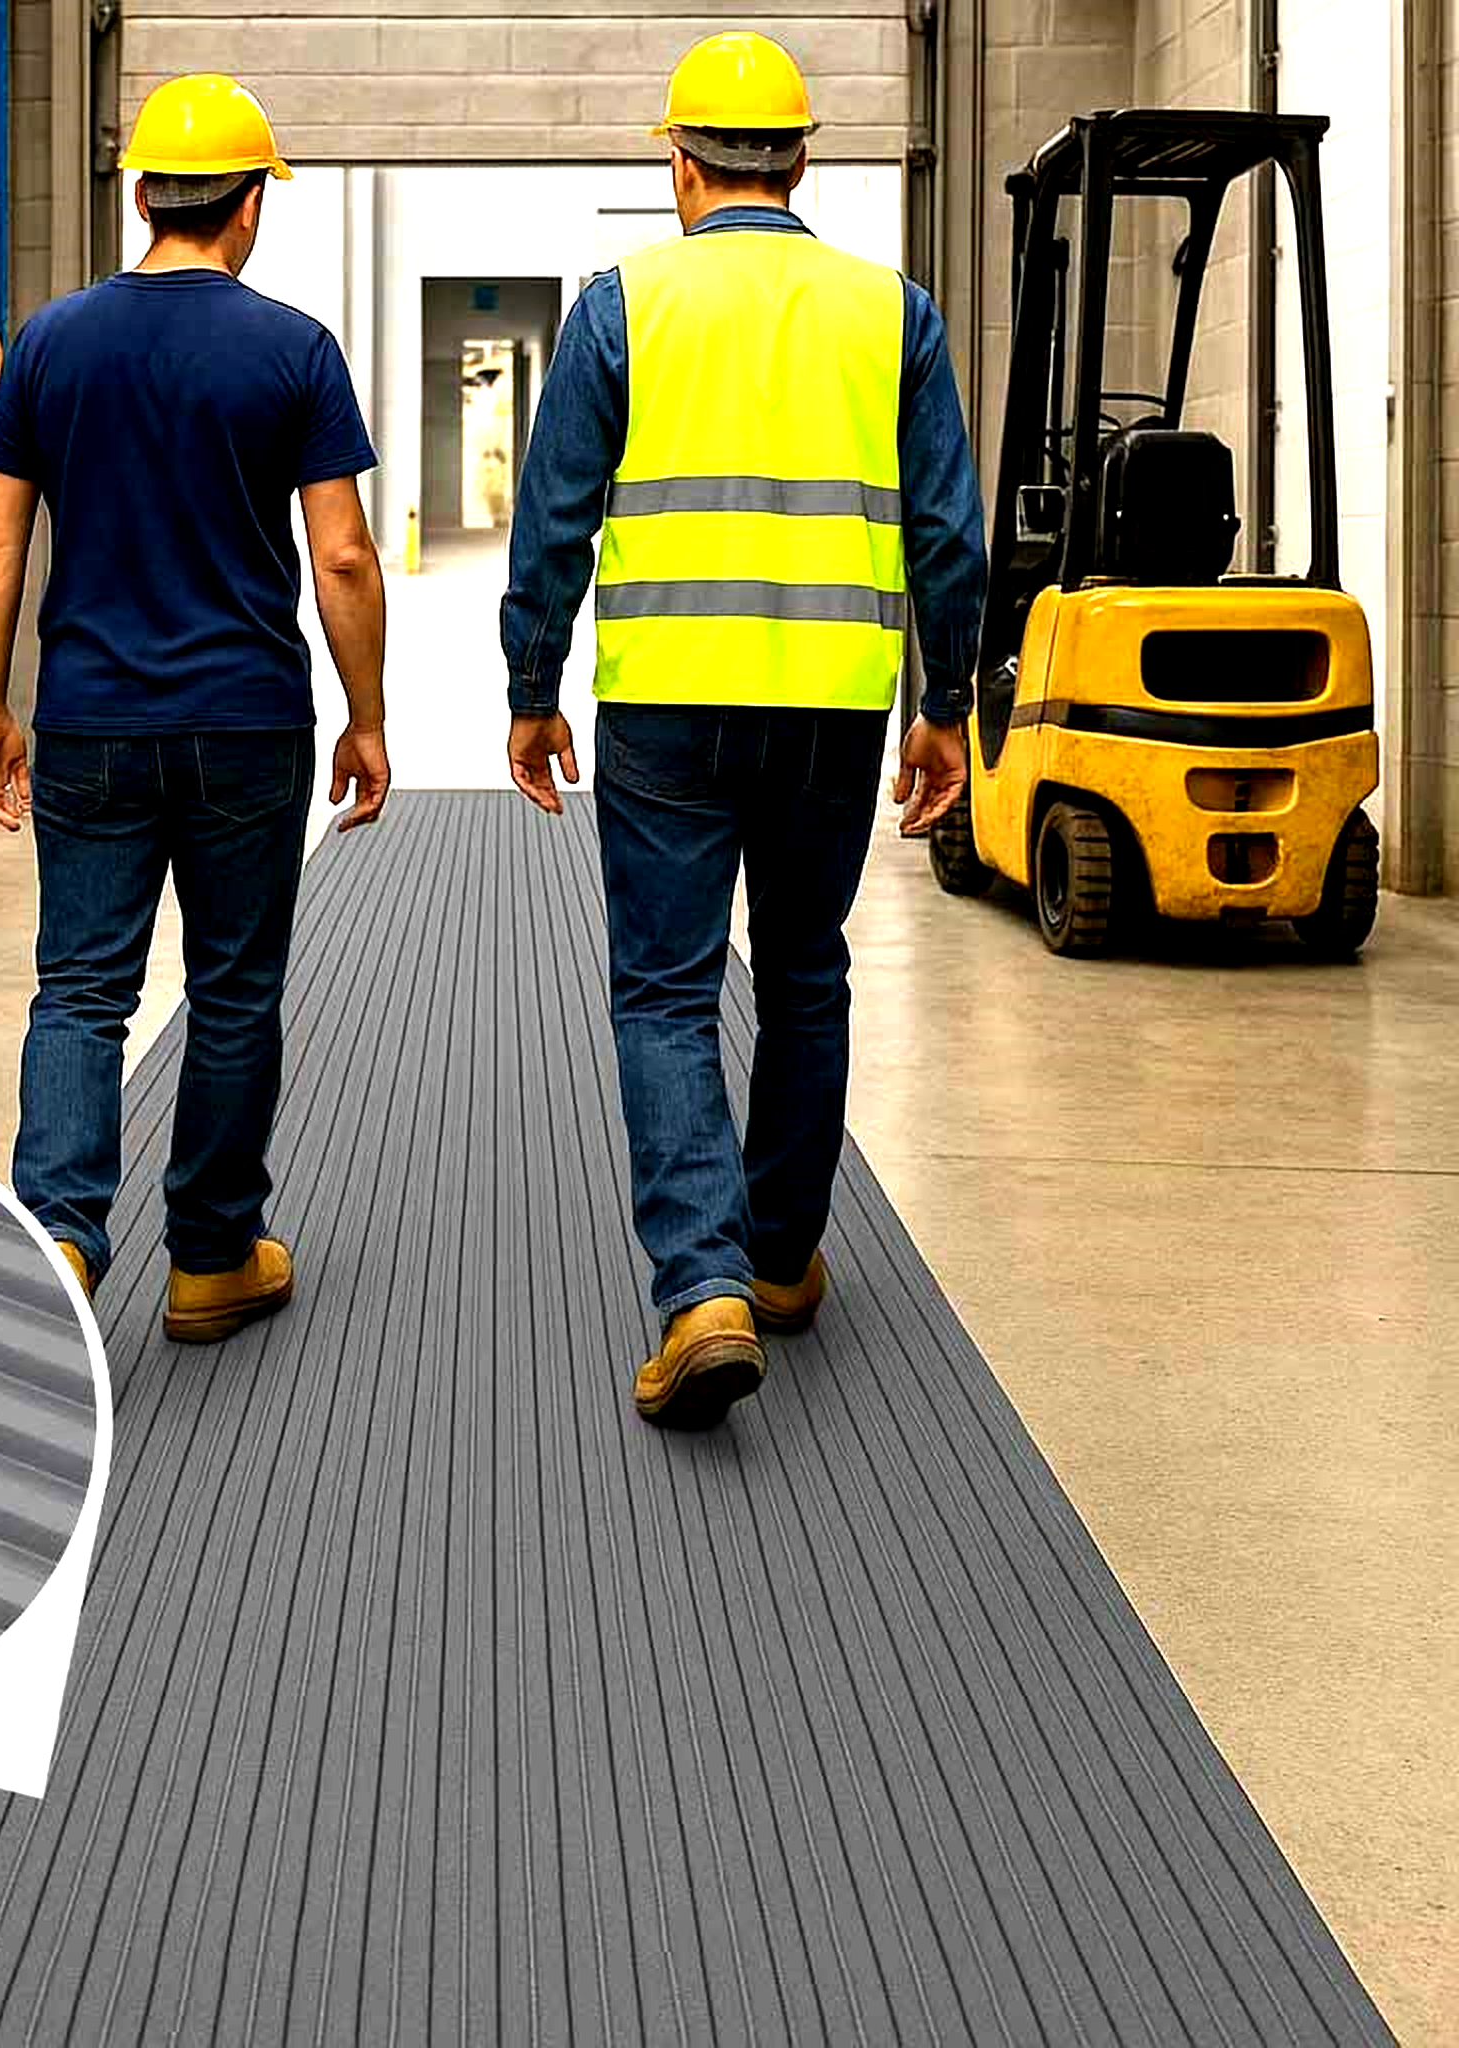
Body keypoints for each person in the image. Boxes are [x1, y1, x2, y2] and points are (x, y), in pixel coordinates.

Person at [500, 31, 986, 1428]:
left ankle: (700, 1287)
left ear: (680, 162)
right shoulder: (891, 311)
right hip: (833, 704)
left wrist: (531, 686)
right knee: (807, 971)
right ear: (801, 162)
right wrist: (945, 707)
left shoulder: (621, 306)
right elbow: (946, 535)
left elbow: (554, 519)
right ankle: (777, 1258)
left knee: (664, 992)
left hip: (667, 704)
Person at [0, 72, 390, 1343]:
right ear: (250, 204)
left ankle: (55, 1233)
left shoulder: (49, 342)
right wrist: (366, 716)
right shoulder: (294, 350)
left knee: (80, 989)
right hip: (245, 723)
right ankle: (209, 1259)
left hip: (89, 720)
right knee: (234, 989)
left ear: (142, 193)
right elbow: (342, 556)